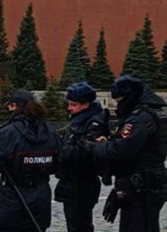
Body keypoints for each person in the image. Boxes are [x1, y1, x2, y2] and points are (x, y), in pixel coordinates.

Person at [90, 75, 167, 232]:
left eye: (120, 100)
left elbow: (121, 150)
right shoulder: (152, 112)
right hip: (146, 183)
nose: (119, 105)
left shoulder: (140, 117)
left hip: (142, 188)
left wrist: (95, 147)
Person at [0, 89, 61, 232]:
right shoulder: (50, 132)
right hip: (40, 198)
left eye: (10, 106)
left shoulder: (7, 133)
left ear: (14, 106)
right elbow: (59, 164)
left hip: (11, 198)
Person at [54, 82, 111, 232]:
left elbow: (82, 153)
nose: (69, 108)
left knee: (80, 226)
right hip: (72, 182)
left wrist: (58, 150)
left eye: (73, 104)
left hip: (82, 183)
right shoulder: (78, 121)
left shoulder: (94, 123)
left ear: (85, 104)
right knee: (74, 225)